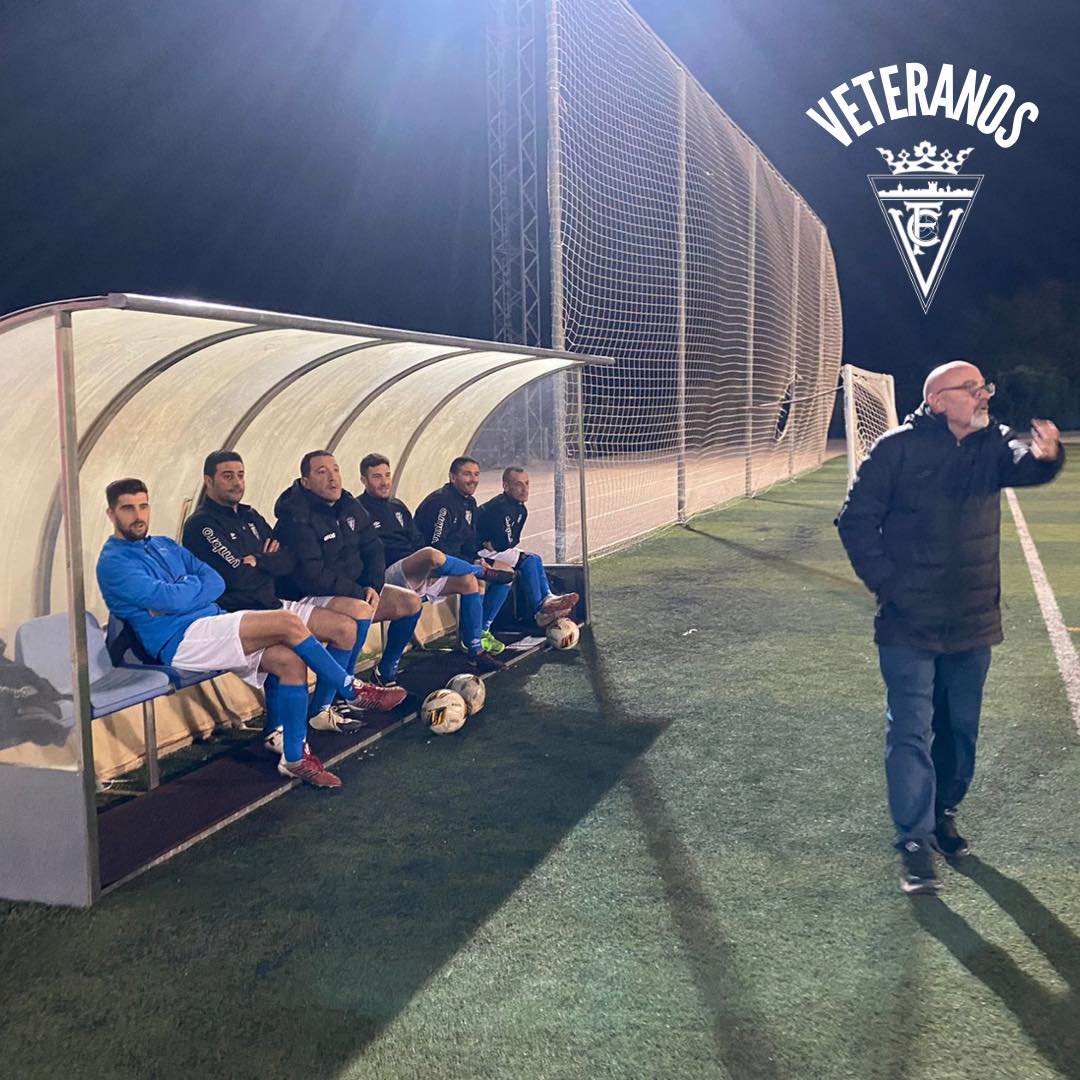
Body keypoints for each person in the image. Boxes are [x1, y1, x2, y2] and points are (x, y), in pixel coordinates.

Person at [836, 359, 1064, 894]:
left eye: (985, 385)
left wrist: (1047, 454)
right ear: (938, 400)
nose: (985, 394)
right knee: (910, 729)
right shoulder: (896, 448)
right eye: (972, 388)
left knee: (960, 730)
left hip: (971, 619)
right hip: (908, 622)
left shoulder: (993, 443)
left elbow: (1023, 463)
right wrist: (890, 586)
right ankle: (914, 840)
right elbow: (855, 520)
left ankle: (942, 812)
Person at [96, 479, 401, 789]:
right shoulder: (113, 562)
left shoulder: (165, 544)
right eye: (128, 508)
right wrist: (187, 591)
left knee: (288, 661)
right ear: (111, 514)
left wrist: (183, 592)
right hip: (179, 640)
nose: (138, 515)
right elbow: (170, 598)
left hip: (211, 621)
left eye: (143, 506)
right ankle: (352, 690)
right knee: (287, 623)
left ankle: (295, 759)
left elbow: (214, 582)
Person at [182, 450, 404, 741]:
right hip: (238, 613)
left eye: (240, 475)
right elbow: (238, 577)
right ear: (208, 481)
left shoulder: (250, 516)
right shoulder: (203, 525)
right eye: (227, 476)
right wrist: (265, 563)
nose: (237, 482)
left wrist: (259, 560)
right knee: (286, 651)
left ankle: (323, 707)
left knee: (345, 628)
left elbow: (288, 561)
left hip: (272, 602)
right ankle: (290, 722)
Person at [272, 451, 423, 689]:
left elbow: (374, 547)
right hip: (308, 595)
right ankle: (344, 688)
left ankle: (385, 672)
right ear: (306, 482)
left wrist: (373, 585)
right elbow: (311, 576)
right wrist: (358, 591)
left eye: (336, 469)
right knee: (359, 611)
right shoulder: (296, 517)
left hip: (350, 590)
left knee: (411, 602)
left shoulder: (350, 505)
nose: (333, 478)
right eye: (322, 472)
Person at [357, 453, 513, 671]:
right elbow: (368, 553)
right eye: (376, 477)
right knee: (431, 554)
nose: (384, 482)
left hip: (417, 571)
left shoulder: (397, 506)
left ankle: (475, 650)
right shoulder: (358, 510)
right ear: (363, 480)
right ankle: (481, 572)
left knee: (467, 582)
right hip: (389, 575)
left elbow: (417, 539)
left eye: (387, 475)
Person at [414, 456, 513, 656]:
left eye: (476, 474)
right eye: (467, 474)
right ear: (452, 477)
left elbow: (469, 541)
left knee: (506, 572)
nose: (473, 479)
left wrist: (476, 558)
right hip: (432, 565)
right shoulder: (441, 503)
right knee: (477, 580)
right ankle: (472, 640)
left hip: (461, 560)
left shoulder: (469, 503)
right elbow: (436, 547)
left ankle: (482, 630)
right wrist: (471, 563)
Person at [476, 466, 579, 628]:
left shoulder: (520, 509)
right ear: (506, 486)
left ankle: (548, 598)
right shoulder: (500, 507)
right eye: (518, 484)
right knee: (528, 561)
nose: (525, 489)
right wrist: (499, 544)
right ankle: (540, 611)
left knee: (534, 558)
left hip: (493, 548)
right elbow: (503, 543)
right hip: (478, 552)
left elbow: (511, 541)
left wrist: (499, 544)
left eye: (527, 484)